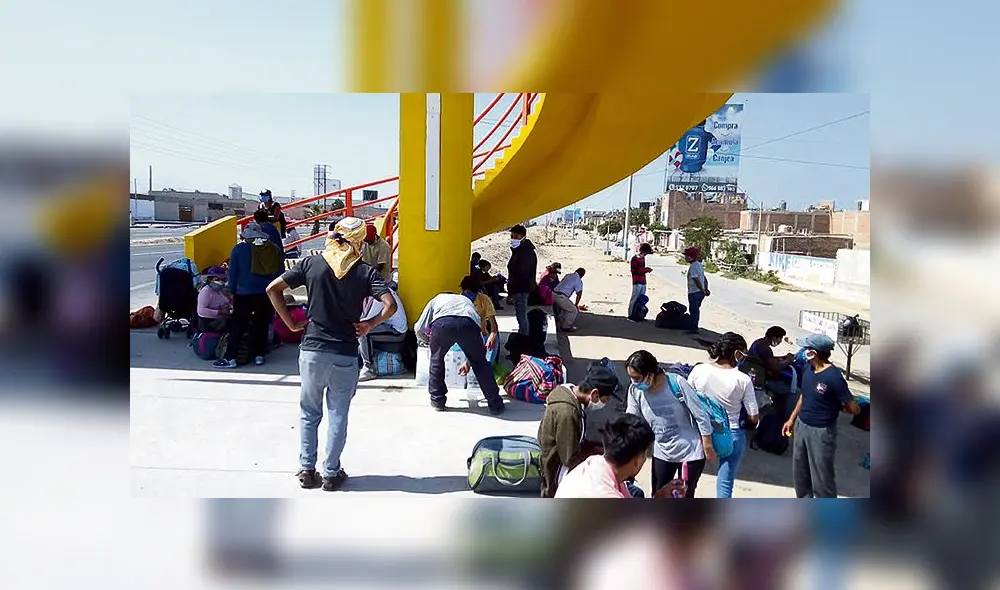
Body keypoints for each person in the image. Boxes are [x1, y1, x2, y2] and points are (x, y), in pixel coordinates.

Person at [265, 216, 397, 491]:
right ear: (360, 241)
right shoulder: (365, 272)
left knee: (309, 412)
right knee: (338, 414)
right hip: (345, 353)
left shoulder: (311, 263)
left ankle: (306, 469)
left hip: (312, 349)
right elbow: (389, 305)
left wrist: (290, 323)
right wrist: (369, 324)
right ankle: (330, 473)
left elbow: (272, 288)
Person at [625, 350, 717, 498]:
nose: (634, 382)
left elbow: (701, 415)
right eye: (631, 378)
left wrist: (707, 446)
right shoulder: (635, 391)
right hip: (662, 452)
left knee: (685, 496)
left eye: (637, 378)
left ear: (650, 373)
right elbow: (631, 419)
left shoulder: (677, 383)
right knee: (658, 494)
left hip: (690, 452)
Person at [782, 333, 861, 498]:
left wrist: (838, 407)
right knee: (801, 475)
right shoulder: (808, 368)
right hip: (802, 426)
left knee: (821, 478)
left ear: (814, 353)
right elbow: (805, 395)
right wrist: (791, 419)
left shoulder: (833, 377)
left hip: (822, 432)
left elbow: (854, 408)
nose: (804, 351)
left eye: (807, 348)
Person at [686, 332, 759, 497]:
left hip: (700, 431)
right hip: (730, 434)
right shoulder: (743, 379)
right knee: (725, 484)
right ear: (737, 354)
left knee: (688, 480)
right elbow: (753, 416)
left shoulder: (699, 370)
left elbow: (688, 399)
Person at [414, 286, 506, 415]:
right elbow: (477, 338)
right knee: (480, 363)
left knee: (436, 361)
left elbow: (419, 327)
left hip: (442, 324)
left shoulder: (437, 299)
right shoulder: (465, 301)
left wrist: (428, 341)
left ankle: (438, 401)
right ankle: (495, 404)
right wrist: (470, 361)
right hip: (468, 324)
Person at [537, 365, 619, 498]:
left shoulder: (571, 396)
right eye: (606, 399)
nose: (605, 403)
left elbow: (575, 440)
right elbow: (569, 459)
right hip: (558, 477)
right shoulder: (567, 414)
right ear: (594, 394)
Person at [214, 222, 283, 368]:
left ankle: (231, 358)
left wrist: (231, 291)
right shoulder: (273, 249)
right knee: (261, 324)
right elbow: (279, 272)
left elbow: (233, 274)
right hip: (266, 294)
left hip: (244, 294)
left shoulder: (239, 250)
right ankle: (259, 355)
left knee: (238, 325)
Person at [554, 413, 654, 498]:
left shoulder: (595, 462)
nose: (645, 459)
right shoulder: (607, 497)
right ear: (636, 460)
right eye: (643, 455)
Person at [357, 285, 408, 382]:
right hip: (385, 326)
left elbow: (364, 320)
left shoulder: (379, 296)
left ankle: (368, 368)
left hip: (396, 331)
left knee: (362, 331)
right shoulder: (374, 292)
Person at [455, 275, 500, 374]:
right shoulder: (458, 300)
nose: (468, 295)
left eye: (471, 293)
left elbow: (493, 324)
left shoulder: (484, 300)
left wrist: (493, 335)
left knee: (493, 342)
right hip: (462, 336)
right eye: (466, 292)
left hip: (481, 335)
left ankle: (486, 369)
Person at [506, 224, 537, 335]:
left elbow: (523, 272)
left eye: (516, 236)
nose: (513, 238)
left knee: (521, 315)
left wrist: (512, 284)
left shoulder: (526, 252)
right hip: (518, 287)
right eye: (512, 236)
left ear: (523, 237)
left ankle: (523, 337)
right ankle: (523, 334)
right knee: (520, 314)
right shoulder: (520, 250)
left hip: (521, 288)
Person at [197, 266, 233, 333]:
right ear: (210, 280)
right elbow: (201, 311)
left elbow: (230, 303)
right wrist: (219, 312)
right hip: (209, 322)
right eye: (217, 279)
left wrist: (229, 298)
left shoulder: (222, 290)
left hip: (222, 319)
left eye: (223, 279)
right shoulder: (206, 291)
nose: (221, 281)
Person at [684, 246, 709, 334]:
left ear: (691, 257)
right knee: (696, 310)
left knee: (694, 311)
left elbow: (696, 279)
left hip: (694, 292)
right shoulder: (699, 264)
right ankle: (694, 327)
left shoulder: (693, 267)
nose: (685, 257)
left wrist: (702, 289)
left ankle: (693, 329)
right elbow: (704, 278)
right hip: (700, 292)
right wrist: (706, 288)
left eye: (686, 256)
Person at [553, 267, 586, 332]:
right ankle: (565, 327)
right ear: (582, 275)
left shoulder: (568, 275)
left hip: (553, 293)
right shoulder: (578, 280)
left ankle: (561, 322)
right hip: (561, 296)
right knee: (573, 310)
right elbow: (579, 294)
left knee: (565, 308)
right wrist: (576, 305)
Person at [628, 243, 653, 320]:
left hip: (643, 281)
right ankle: (631, 314)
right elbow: (634, 271)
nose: (645, 255)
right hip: (637, 281)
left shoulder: (642, 259)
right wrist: (645, 270)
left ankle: (638, 314)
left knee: (641, 299)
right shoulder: (634, 259)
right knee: (634, 298)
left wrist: (645, 270)